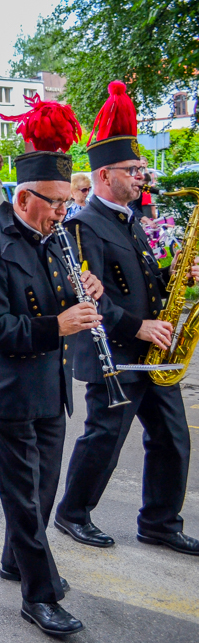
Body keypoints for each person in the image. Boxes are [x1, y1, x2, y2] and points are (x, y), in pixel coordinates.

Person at [0, 95, 98, 636]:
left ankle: (14, 558)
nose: (64, 209)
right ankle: (37, 595)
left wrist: (84, 290)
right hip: (9, 388)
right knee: (23, 494)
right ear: (23, 198)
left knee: (43, 488)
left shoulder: (58, 240)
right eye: (55, 201)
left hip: (50, 386)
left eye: (68, 200)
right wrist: (57, 325)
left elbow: (67, 301)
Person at [55, 81, 199, 558]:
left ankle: (159, 522)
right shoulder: (83, 224)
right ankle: (72, 513)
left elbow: (138, 280)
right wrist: (137, 327)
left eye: (141, 169)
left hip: (152, 350)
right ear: (103, 175)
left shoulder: (129, 219)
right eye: (133, 170)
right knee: (105, 439)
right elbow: (89, 293)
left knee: (173, 440)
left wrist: (175, 271)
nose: (142, 177)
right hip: (116, 351)